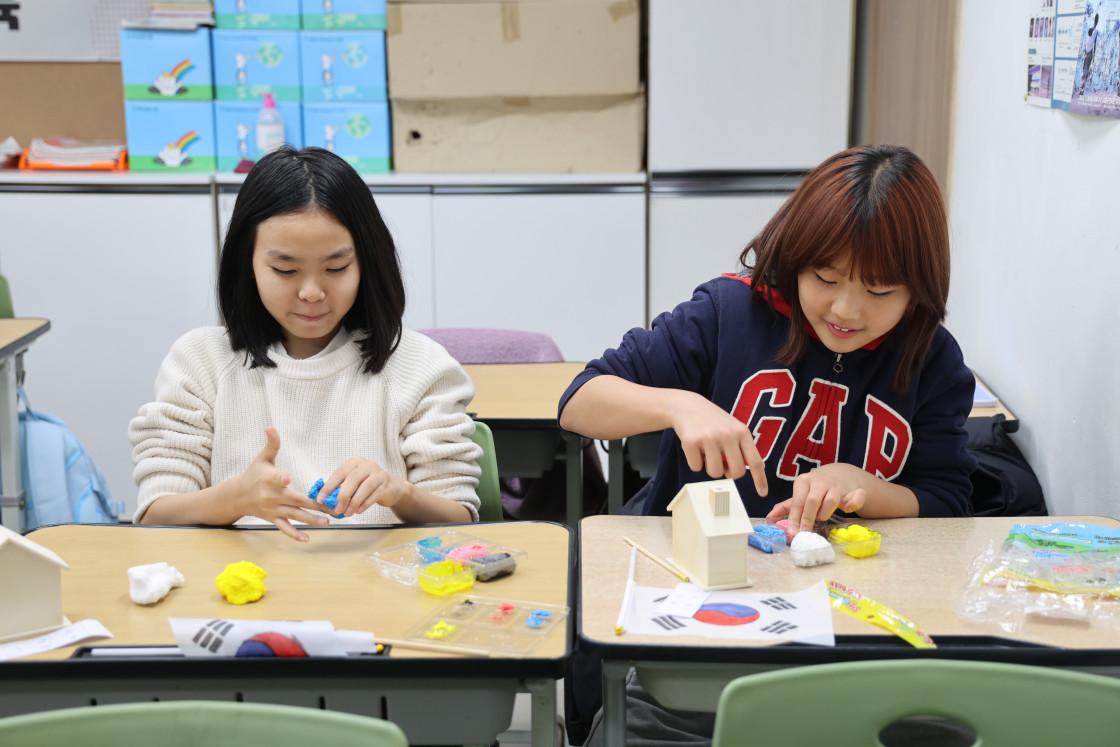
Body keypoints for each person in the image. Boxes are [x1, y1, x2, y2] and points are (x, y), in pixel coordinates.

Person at [558, 144, 978, 745]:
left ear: (919, 289)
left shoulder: (931, 359)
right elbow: (579, 402)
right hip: (702, 625)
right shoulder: (729, 313)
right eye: (825, 278)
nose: (846, 309)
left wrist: (864, 487)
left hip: (852, 631)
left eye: (881, 291)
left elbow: (947, 501)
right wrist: (680, 406)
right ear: (794, 257)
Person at [130, 146, 482, 542]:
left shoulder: (420, 365)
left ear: (366, 261)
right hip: (238, 581)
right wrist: (236, 498)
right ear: (248, 264)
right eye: (285, 270)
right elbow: (154, 516)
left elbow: (460, 518)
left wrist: (399, 492)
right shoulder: (201, 362)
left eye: (336, 267)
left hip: (375, 579)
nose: (312, 292)